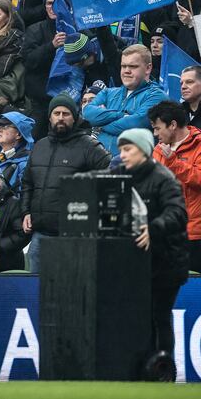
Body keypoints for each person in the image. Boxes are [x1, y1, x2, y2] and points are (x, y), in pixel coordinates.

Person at [113, 129, 189, 368]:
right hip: (134, 261)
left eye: (128, 149)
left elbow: (178, 213)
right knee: (138, 318)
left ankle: (162, 367)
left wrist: (153, 229)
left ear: (144, 150)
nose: (122, 155)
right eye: (121, 150)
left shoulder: (164, 178)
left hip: (166, 262)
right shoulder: (118, 175)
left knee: (159, 316)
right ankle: (139, 367)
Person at [21, 95, 112, 272]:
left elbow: (113, 175)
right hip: (40, 235)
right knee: (36, 287)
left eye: (66, 113)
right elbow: (27, 183)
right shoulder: (39, 146)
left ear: (75, 117)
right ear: (49, 117)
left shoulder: (89, 146)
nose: (61, 117)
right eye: (56, 113)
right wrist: (25, 212)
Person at [83, 45, 168, 155]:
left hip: (132, 163)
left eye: (133, 66)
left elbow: (135, 124)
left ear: (148, 68)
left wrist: (99, 123)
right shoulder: (108, 93)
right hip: (97, 161)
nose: (126, 71)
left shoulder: (157, 96)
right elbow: (87, 113)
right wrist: (121, 115)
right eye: (123, 66)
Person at [149, 101, 201, 273]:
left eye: (157, 128)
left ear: (172, 125)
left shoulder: (199, 144)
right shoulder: (158, 150)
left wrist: (173, 162)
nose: (155, 134)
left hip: (195, 234)